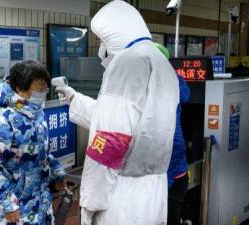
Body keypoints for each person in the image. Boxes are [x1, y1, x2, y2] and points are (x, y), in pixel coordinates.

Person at [56, 1, 179, 224]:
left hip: (119, 199)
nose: (101, 47)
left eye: (101, 39)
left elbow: (111, 139)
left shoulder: (126, 63)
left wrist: (90, 203)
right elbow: (131, 123)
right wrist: (75, 98)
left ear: (115, 34)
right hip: (151, 195)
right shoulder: (160, 62)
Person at [0, 60, 66, 225]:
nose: (42, 92)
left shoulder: (38, 113)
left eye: (45, 88)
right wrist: (9, 204)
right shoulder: (2, 119)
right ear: (19, 88)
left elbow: (42, 152)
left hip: (39, 204)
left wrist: (56, 172)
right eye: (38, 88)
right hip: (14, 210)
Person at [155, 43, 190, 225]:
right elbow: (186, 96)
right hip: (175, 163)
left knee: (169, 211)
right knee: (170, 211)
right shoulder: (176, 81)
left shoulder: (157, 83)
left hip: (170, 162)